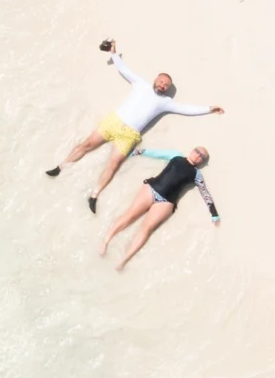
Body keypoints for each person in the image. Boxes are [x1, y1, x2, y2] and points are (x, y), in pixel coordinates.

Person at [46, 45, 224, 210]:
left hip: (129, 135)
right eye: (161, 81)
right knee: (86, 145)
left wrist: (209, 109)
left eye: (166, 85)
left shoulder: (166, 103)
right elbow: (124, 69)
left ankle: (94, 195)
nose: (162, 85)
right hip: (114, 122)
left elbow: (186, 109)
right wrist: (113, 54)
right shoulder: (141, 84)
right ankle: (61, 167)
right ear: (156, 79)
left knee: (113, 164)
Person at [99, 146, 218, 271]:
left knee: (146, 230)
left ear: (202, 161)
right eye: (197, 152)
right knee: (129, 216)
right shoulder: (176, 156)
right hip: (151, 189)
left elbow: (205, 193)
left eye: (202, 157)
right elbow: (156, 153)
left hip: (166, 203)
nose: (198, 156)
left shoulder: (197, 174)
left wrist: (214, 214)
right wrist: (137, 152)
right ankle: (106, 240)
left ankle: (124, 260)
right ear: (192, 150)